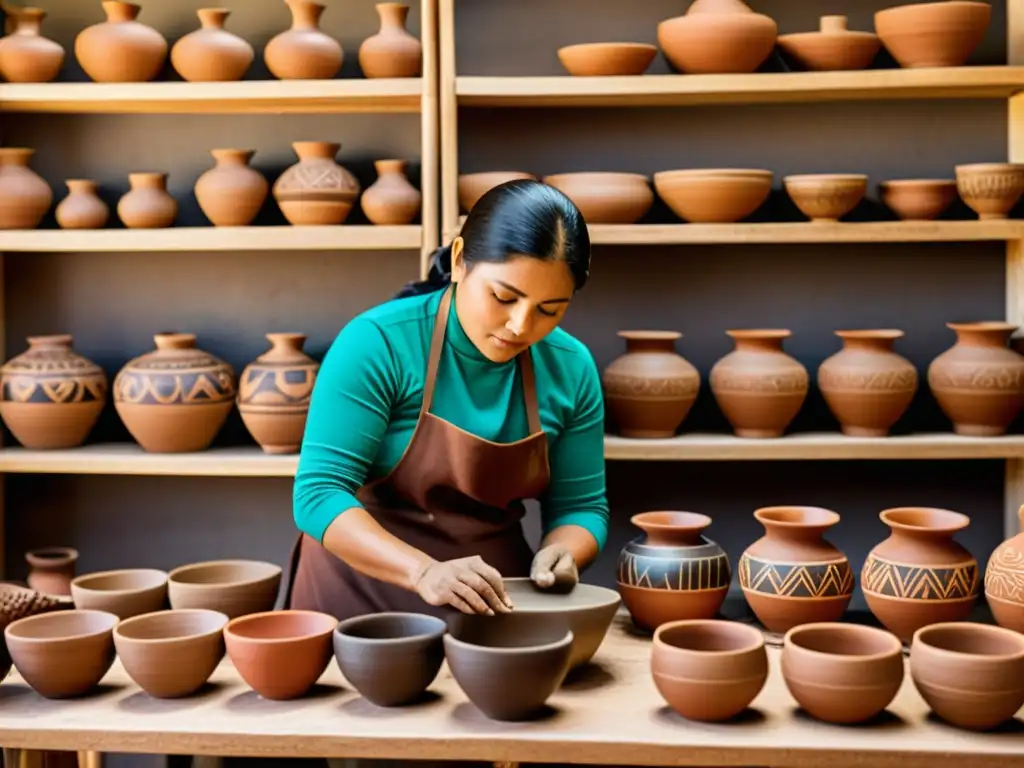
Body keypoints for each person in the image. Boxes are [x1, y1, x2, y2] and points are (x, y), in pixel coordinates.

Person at [284, 179, 610, 620]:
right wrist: (423, 573)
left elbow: (581, 507)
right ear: (459, 261)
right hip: (359, 602)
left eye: (549, 309)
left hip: (490, 605)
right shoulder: (377, 343)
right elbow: (319, 493)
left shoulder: (571, 368)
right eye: (503, 296)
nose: (520, 325)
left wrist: (565, 552)